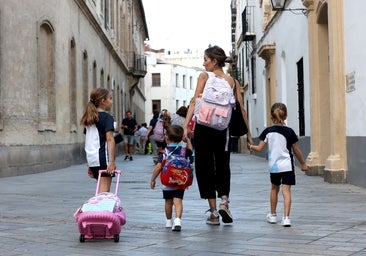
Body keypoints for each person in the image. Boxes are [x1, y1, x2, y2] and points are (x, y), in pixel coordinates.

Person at [183, 45, 253, 225]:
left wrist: (186, 126)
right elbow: (241, 109)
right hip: (223, 129)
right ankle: (224, 202)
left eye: (206, 59)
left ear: (214, 61)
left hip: (203, 127)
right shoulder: (233, 81)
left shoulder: (204, 77)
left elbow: (195, 101)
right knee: (223, 165)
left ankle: (213, 213)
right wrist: (249, 133)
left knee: (204, 167)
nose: (203, 63)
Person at [247, 102, 309, 227]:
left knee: (274, 189)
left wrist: (251, 146)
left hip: (274, 167)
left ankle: (273, 215)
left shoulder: (267, 131)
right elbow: (296, 150)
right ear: (285, 116)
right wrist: (303, 163)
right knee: (286, 191)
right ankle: (286, 218)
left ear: (271, 117)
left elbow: (259, 148)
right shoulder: (289, 131)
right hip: (287, 165)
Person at [150, 125, 193, 232]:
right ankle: (177, 220)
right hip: (180, 181)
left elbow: (159, 167)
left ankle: (169, 221)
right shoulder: (184, 151)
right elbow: (191, 153)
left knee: (168, 202)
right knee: (178, 201)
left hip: (167, 182)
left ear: (166, 138)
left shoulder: (164, 152)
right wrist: (187, 141)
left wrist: (153, 179)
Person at [80, 88, 116, 193]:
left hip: (92, 159)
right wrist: (112, 161)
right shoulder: (107, 117)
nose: (112, 102)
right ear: (103, 101)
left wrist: (89, 164)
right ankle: (97, 209)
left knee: (100, 190)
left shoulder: (89, 118)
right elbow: (110, 139)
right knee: (103, 194)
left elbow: (88, 140)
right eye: (110, 98)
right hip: (103, 159)